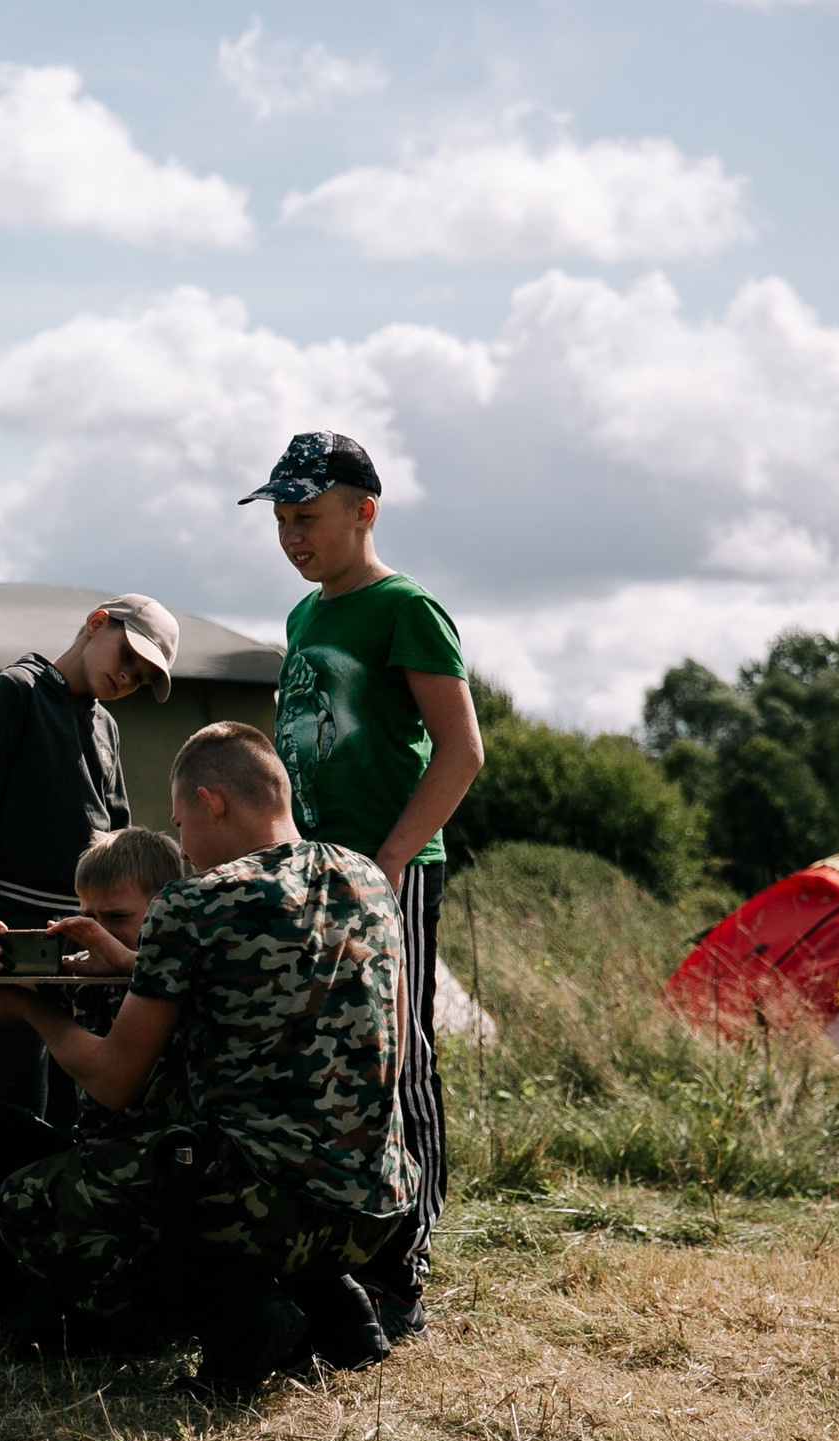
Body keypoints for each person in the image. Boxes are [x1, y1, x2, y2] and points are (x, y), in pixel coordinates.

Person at [0, 723, 413, 1390]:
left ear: (210, 802)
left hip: (270, 1207)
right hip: (378, 1205)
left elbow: (113, 1082)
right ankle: (332, 1304)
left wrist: (31, 1009)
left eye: (179, 823)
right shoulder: (367, 879)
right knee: (215, 1154)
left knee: (30, 1201)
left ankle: (237, 1315)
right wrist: (126, 965)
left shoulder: (194, 901)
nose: (185, 848)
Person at [241, 431, 483, 1342]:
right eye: (280, 519)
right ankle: (333, 1249)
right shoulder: (303, 619)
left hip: (391, 873)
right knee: (324, 1059)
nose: (291, 536)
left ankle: (403, 1267)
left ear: (364, 511)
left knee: (397, 1056)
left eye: (306, 517)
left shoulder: (406, 609)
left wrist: (387, 864)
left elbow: (462, 751)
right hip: (316, 876)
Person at [0, 826, 187, 1345]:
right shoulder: (81, 971)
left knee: (45, 1336)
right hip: (91, 1156)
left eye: (116, 918)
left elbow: (113, 1083)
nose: (95, 932)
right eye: (87, 917)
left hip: (161, 1181)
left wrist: (31, 1007)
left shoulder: (182, 973)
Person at [0, 596, 179, 1120]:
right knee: (18, 1101)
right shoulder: (14, 691)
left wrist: (115, 936)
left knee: (75, 1103)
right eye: (128, 657)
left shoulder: (106, 727)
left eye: (142, 678)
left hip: (84, 938)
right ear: (97, 623)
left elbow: (117, 838)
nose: (128, 677)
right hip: (10, 928)